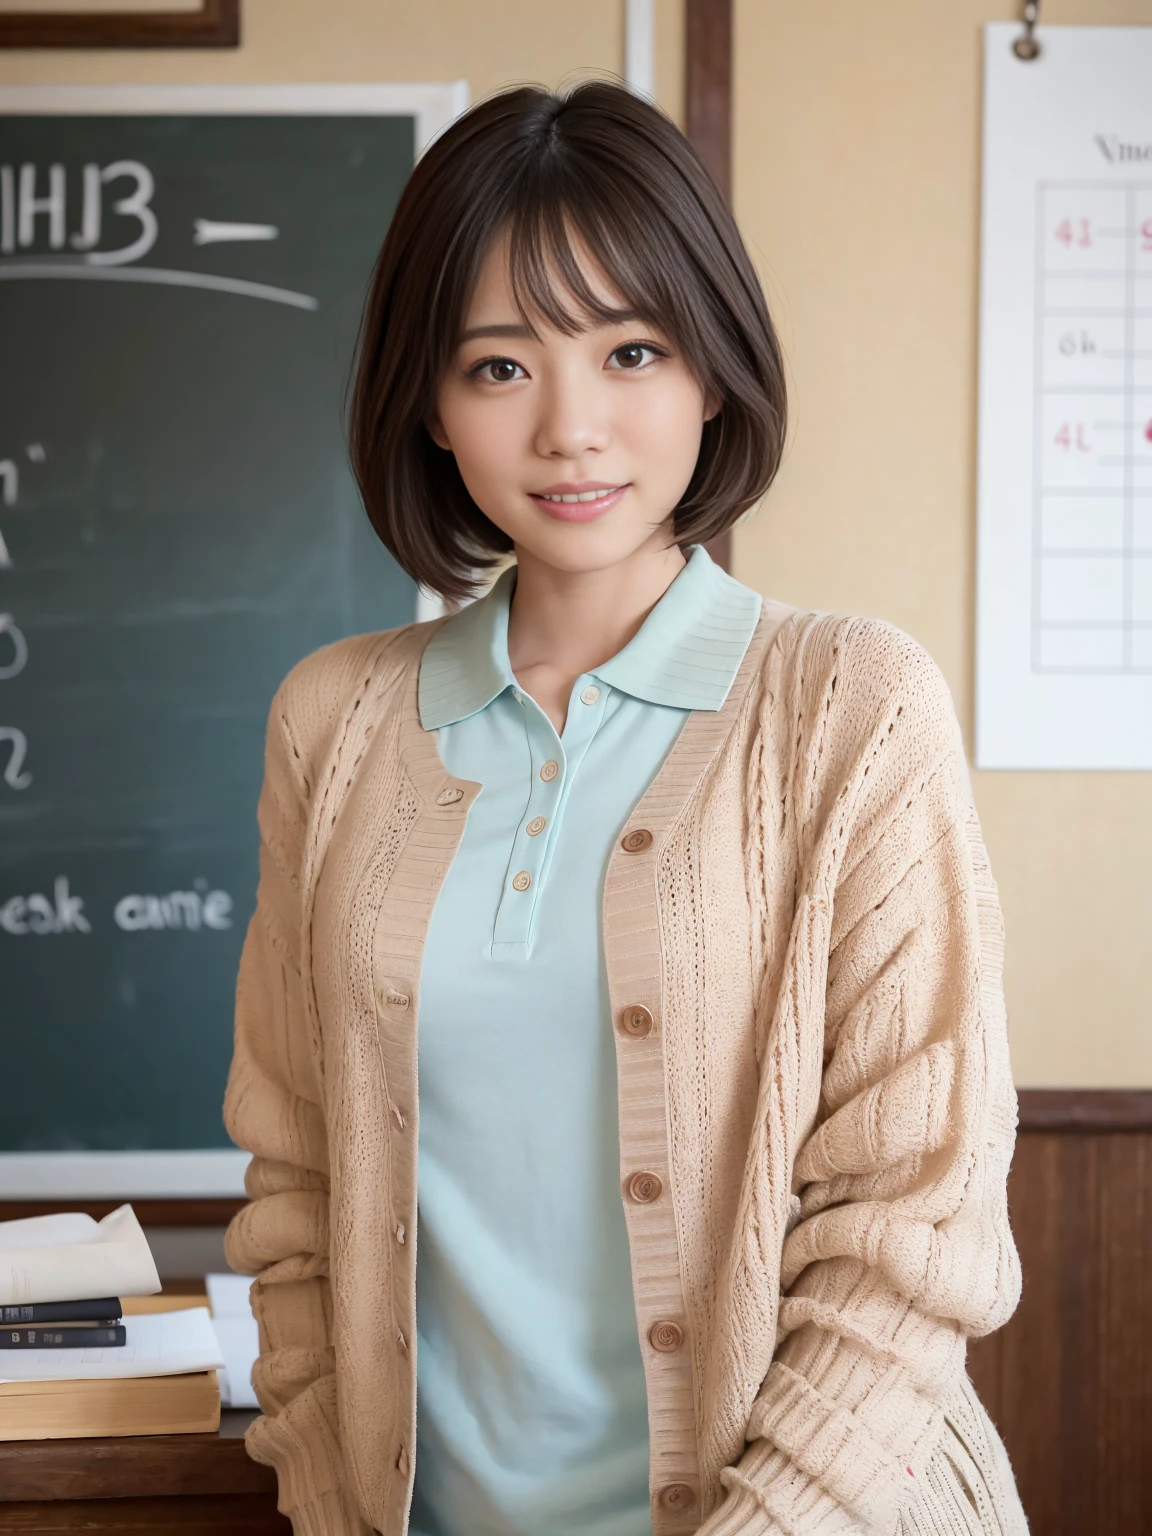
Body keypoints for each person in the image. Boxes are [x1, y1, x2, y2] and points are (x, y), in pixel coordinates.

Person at [223, 81, 1026, 1536]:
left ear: (713, 372)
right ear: (428, 399)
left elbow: (911, 1228)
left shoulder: (851, 705)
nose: (573, 429)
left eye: (633, 350)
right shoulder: (331, 725)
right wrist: (327, 1487)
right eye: (501, 366)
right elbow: (295, 1190)